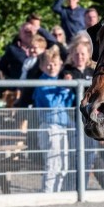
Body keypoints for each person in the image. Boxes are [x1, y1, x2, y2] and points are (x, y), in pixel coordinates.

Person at [32, 46, 74, 193]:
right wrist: (64, 89)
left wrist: (68, 91)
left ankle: (56, 192)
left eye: (55, 64)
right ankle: (48, 192)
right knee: (52, 162)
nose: (52, 67)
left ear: (60, 65)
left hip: (62, 126)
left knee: (63, 164)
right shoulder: (42, 83)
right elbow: (51, 104)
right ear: (42, 66)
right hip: (50, 126)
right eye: (48, 64)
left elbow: (66, 104)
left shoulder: (58, 81)